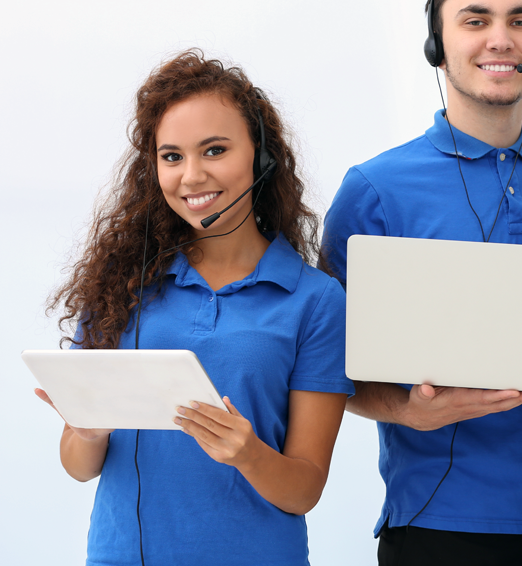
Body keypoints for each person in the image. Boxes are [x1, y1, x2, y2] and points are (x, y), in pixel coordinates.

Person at [321, 0, 522, 565]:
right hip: (434, 528)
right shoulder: (373, 191)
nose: (501, 38)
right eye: (476, 21)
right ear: (437, 47)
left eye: (520, 21)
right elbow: (324, 367)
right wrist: (408, 412)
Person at [38, 50, 354, 566]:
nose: (191, 176)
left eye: (214, 150)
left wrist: (248, 455)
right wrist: (88, 430)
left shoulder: (315, 302)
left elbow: (304, 491)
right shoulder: (121, 284)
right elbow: (78, 466)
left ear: (262, 155)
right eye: (171, 156)